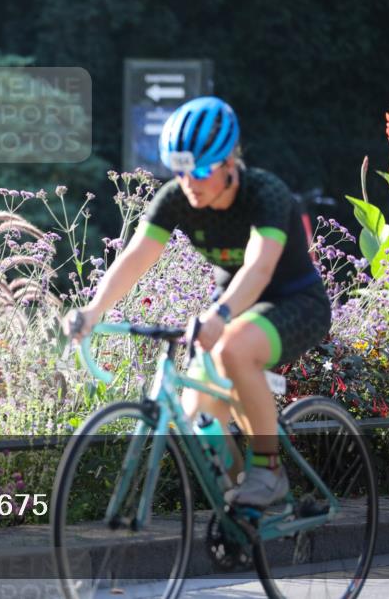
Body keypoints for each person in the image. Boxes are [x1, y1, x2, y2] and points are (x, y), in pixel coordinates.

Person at [62, 96, 331, 508]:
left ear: (230, 162)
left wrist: (219, 315)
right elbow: (136, 257)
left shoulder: (266, 194)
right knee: (196, 421)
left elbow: (259, 268)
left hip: (295, 301)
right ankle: (244, 509)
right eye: (180, 170)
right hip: (234, 306)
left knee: (232, 348)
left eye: (202, 170)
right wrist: (93, 309)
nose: (191, 182)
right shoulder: (176, 198)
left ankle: (269, 471)